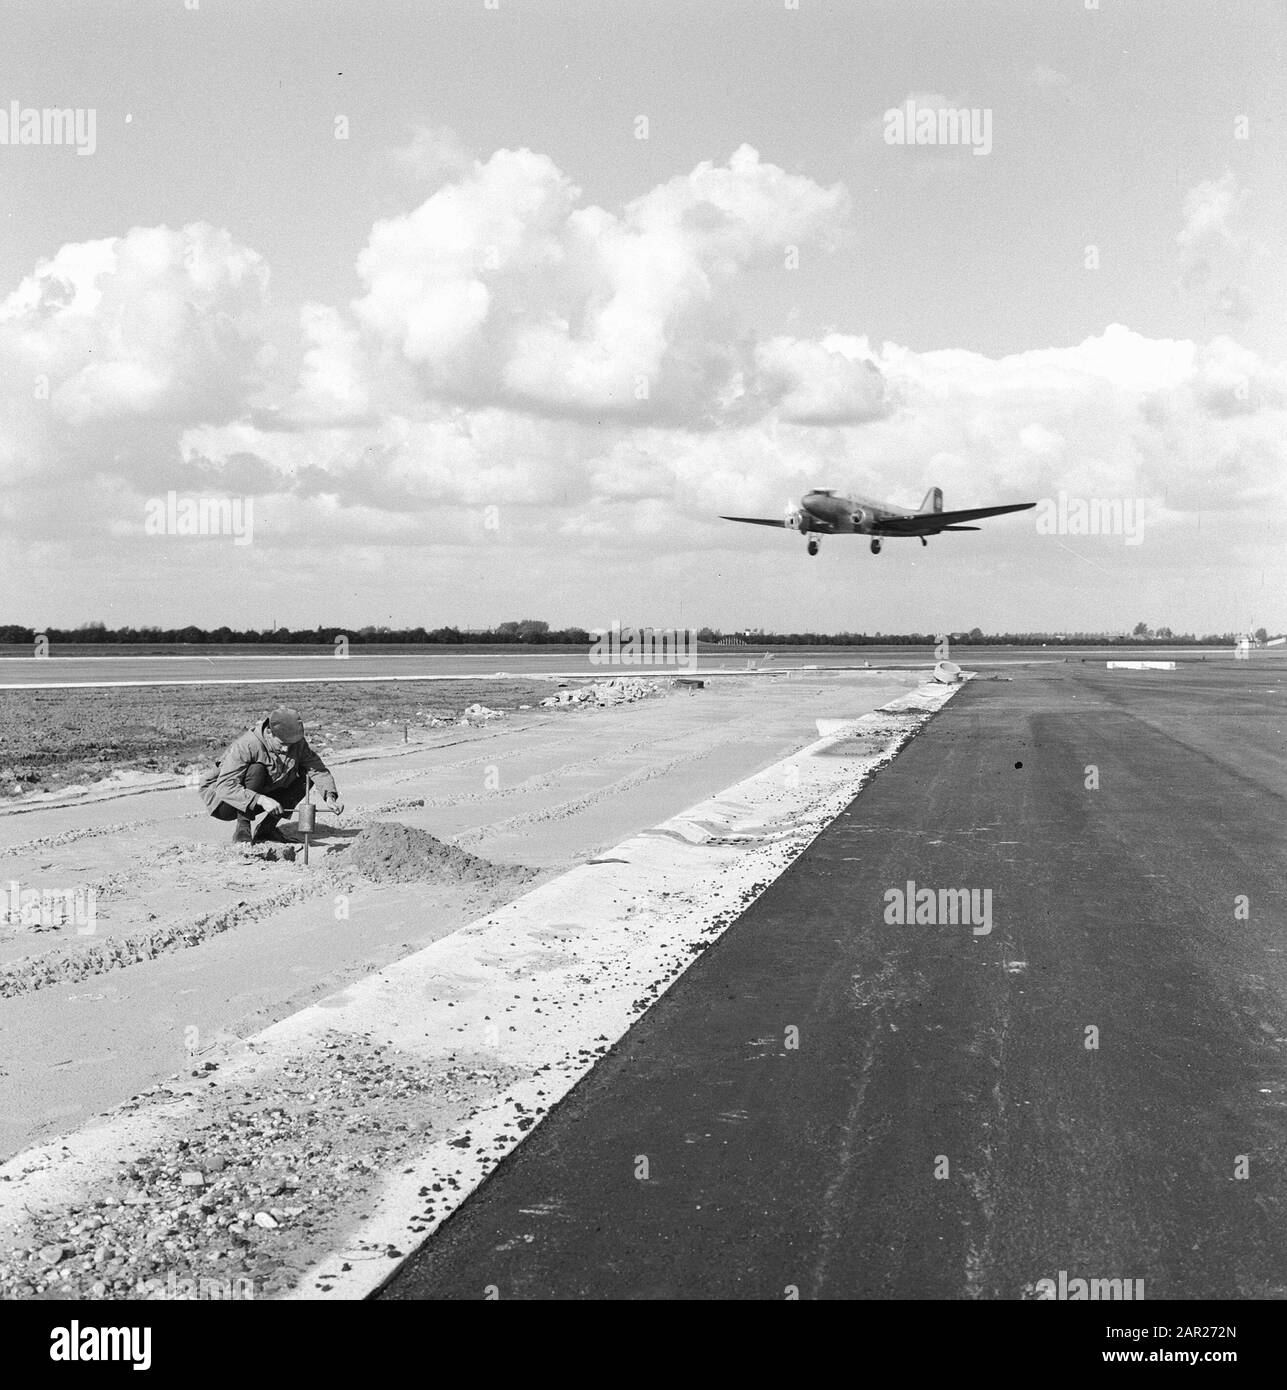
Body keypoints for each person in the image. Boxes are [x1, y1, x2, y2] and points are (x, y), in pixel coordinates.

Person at [199, 706, 343, 844]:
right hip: (226, 803)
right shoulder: (248, 745)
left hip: (263, 793)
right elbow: (225, 787)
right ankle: (243, 828)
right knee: (256, 769)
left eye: (290, 744)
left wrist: (329, 797)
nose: (287, 748)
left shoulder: (295, 742)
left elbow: (317, 769)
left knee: (307, 776)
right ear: (269, 732)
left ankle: (266, 829)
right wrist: (261, 800)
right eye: (282, 743)